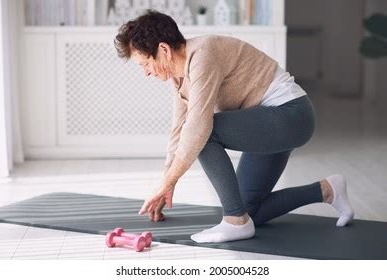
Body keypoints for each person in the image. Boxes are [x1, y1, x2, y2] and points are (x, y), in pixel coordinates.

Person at [114, 10, 355, 243]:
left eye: (145, 64)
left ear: (163, 50)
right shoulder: (179, 76)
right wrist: (167, 183)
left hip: (292, 115)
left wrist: (168, 183)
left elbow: (197, 128)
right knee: (250, 209)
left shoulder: (203, 55)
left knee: (205, 133)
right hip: (266, 120)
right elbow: (179, 128)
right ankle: (327, 190)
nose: (145, 72)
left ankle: (235, 222)